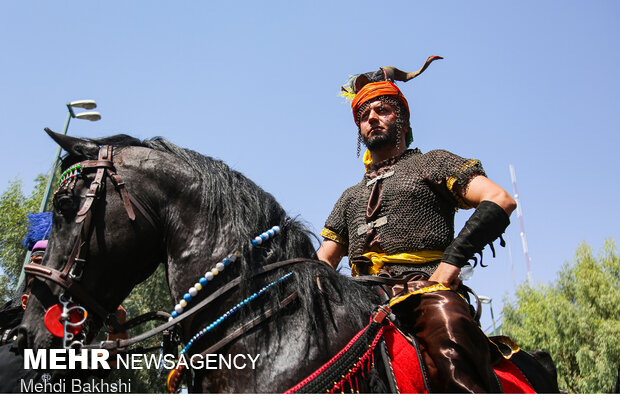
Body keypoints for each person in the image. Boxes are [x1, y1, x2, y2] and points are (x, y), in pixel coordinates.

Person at [317, 58, 516, 393]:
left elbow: (499, 198)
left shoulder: (431, 163)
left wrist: (452, 263)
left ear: (404, 119)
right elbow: (323, 262)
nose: (372, 119)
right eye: (365, 116)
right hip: (361, 300)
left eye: (382, 110)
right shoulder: (349, 197)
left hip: (424, 290)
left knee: (449, 332)